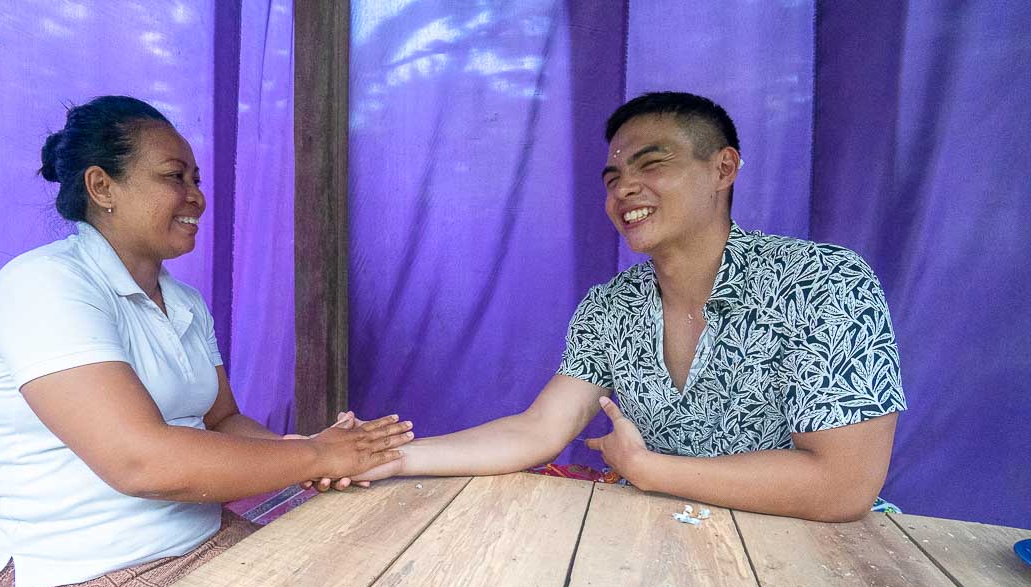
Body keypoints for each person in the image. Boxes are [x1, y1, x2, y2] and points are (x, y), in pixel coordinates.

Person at [0, 95, 412, 587]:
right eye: (174, 178)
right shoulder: (42, 286)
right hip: (78, 579)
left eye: (197, 179)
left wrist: (314, 455)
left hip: (196, 539)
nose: (197, 197)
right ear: (102, 187)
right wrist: (312, 456)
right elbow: (140, 462)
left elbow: (222, 421)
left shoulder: (183, 302)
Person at [356, 91, 907, 522]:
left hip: (813, 560)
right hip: (662, 540)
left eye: (652, 164)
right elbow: (537, 431)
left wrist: (648, 468)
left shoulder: (825, 282)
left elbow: (844, 486)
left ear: (723, 169)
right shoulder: (611, 306)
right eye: (614, 177)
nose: (626, 189)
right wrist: (386, 458)